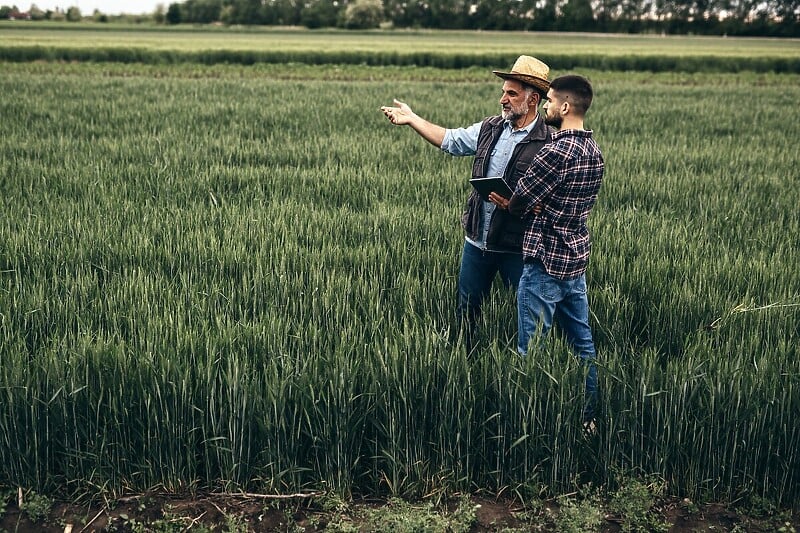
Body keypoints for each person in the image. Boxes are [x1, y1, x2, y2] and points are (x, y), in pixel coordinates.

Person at [380, 56, 553, 352]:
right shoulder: (491, 128)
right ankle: (465, 359)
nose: (503, 99)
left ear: (533, 98)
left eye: (511, 94)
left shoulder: (550, 140)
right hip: (477, 241)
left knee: (529, 317)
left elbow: (556, 199)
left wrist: (518, 203)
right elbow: (451, 139)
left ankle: (531, 369)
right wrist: (413, 119)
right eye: (503, 92)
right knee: (467, 311)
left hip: (518, 246)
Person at [490, 75, 604, 427]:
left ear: (566, 107)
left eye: (551, 102)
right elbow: (574, 202)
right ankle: (589, 419)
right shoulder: (594, 151)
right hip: (574, 262)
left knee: (531, 351)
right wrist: (542, 204)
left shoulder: (554, 151)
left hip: (544, 263)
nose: (548, 107)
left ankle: (529, 424)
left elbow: (522, 199)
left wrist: (516, 204)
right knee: (582, 345)